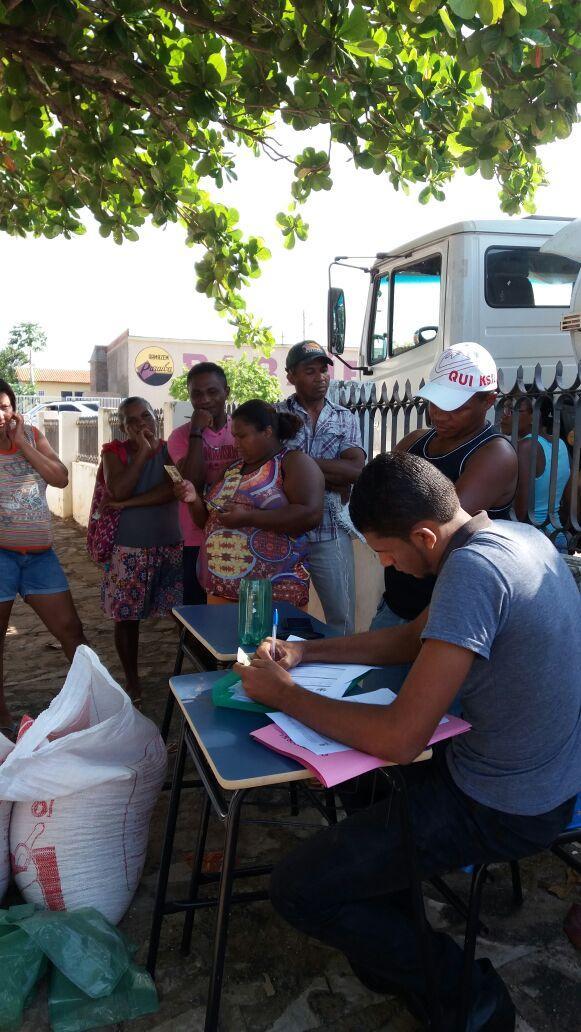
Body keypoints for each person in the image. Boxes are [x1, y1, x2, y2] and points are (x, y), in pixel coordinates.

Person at [237, 452, 581, 1031]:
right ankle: (395, 945)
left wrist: (286, 696)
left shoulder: (473, 573)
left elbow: (400, 737)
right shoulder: (513, 536)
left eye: (385, 552)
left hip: (503, 804)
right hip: (540, 777)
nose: (387, 562)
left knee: (298, 888)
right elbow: (409, 639)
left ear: (425, 535)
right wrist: (306, 652)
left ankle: (468, 994)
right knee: (364, 789)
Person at [371, 341, 518, 695]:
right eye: (435, 401)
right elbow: (376, 497)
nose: (440, 414)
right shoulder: (415, 442)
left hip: (453, 617)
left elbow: (442, 530)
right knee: (370, 695)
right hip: (397, 602)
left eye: (455, 406)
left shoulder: (493, 455)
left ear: (488, 401)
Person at [175, 400, 324, 607]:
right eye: (234, 436)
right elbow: (207, 522)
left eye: (242, 436)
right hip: (221, 591)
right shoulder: (232, 469)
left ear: (267, 432)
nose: (235, 444)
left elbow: (311, 514)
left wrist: (249, 517)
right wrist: (193, 500)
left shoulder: (293, 462)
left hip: (272, 596)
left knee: (268, 641)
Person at [0, 378, 86, 736]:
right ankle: (2, 717)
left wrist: (22, 444)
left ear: (14, 409)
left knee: (72, 632)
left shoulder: (33, 436)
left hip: (40, 557)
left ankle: (87, 700)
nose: (0, 414)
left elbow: (61, 478)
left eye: (4, 407)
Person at [278, 340, 365, 634]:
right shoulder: (276, 418)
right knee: (283, 618)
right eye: (310, 371)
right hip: (284, 534)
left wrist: (297, 465)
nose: (321, 377)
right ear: (291, 376)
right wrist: (330, 473)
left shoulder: (344, 417)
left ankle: (342, 679)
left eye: (323, 371)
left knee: (341, 619)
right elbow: (272, 471)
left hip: (331, 532)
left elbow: (354, 470)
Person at [101, 397, 182, 706]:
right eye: (131, 420)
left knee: (179, 614)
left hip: (168, 544)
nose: (141, 423)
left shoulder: (169, 450)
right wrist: (143, 453)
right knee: (126, 618)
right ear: (122, 427)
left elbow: (173, 488)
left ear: (155, 417)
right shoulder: (113, 453)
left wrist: (131, 503)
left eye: (145, 415)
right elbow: (118, 490)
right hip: (128, 548)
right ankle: (132, 681)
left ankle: (190, 670)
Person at [167, 362, 237, 604]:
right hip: (196, 537)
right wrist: (196, 431)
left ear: (226, 392)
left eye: (213, 392)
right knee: (197, 611)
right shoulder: (179, 436)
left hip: (237, 532)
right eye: (197, 393)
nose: (205, 399)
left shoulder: (241, 429)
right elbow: (191, 481)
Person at [500, 391, 571, 550]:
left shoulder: (526, 447)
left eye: (511, 410)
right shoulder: (560, 444)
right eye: (503, 408)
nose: (503, 416)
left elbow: (521, 511)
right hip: (557, 535)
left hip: (533, 541)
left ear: (534, 416)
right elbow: (568, 498)